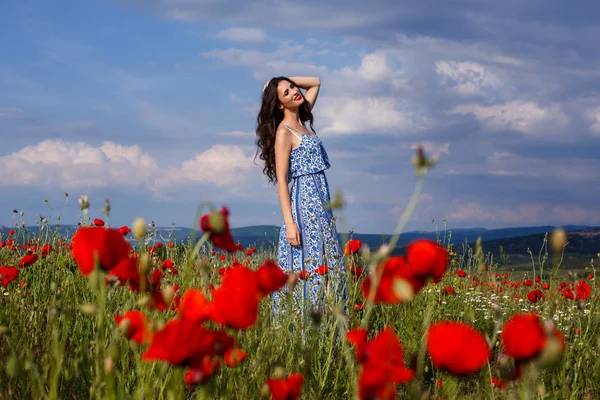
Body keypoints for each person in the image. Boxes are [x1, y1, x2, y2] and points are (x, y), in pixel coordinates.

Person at [254, 76, 346, 321]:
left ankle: (330, 327)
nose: (295, 91)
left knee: (327, 261)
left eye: (293, 87)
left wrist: (279, 79)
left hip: (322, 201)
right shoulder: (284, 132)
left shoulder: (302, 120)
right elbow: (282, 180)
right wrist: (290, 223)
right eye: (287, 93)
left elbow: (315, 82)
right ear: (279, 105)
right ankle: (308, 328)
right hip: (304, 201)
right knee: (312, 262)